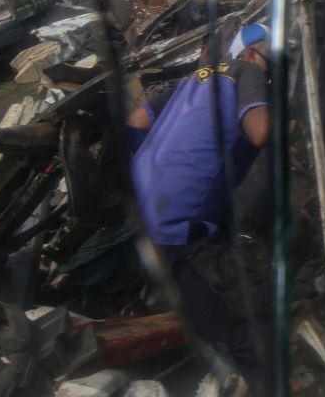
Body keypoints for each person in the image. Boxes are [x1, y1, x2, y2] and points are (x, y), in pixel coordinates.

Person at [130, 21, 271, 384]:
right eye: (275, 60)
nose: (275, 70)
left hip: (139, 213)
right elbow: (260, 131)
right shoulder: (246, 71)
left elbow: (136, 122)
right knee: (246, 334)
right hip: (173, 230)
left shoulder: (187, 81)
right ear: (252, 53)